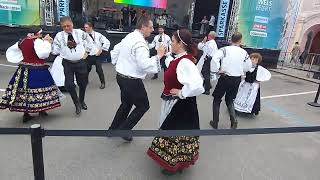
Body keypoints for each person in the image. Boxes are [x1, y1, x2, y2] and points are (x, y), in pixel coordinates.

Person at [147, 29, 204, 175]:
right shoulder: (179, 58)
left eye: (172, 41)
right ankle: (176, 162)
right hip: (174, 102)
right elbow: (172, 63)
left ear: (180, 43)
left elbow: (198, 85)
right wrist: (164, 55)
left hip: (179, 105)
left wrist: (182, 93)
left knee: (174, 134)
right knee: (173, 133)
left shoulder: (185, 62)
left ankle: (173, 165)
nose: (170, 43)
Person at [108, 16, 166, 141]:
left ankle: (113, 129)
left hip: (121, 77)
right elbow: (144, 64)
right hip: (131, 81)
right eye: (150, 27)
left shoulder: (130, 36)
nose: (152, 30)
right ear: (143, 27)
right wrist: (159, 55)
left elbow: (116, 50)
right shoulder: (140, 43)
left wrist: (120, 64)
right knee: (143, 106)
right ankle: (124, 130)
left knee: (126, 104)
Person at [0, 31, 61, 123]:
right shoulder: (38, 41)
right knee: (41, 89)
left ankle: (26, 113)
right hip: (39, 70)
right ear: (38, 34)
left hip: (24, 69)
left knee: (25, 91)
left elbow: (12, 52)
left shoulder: (22, 41)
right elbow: (43, 54)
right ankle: (42, 109)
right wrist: (47, 43)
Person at [209, 32, 252, 129]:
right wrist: (241, 70)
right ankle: (234, 121)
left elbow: (214, 59)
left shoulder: (224, 49)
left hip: (225, 77)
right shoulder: (244, 52)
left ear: (231, 39)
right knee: (230, 100)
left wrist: (217, 70)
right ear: (240, 40)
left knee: (217, 99)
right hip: (236, 79)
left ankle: (215, 122)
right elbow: (248, 66)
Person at [52, 16, 89, 116]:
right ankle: (76, 103)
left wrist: (87, 52)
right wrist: (51, 44)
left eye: (68, 25)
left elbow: (89, 41)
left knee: (83, 83)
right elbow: (54, 51)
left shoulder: (80, 33)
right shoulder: (59, 36)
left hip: (80, 62)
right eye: (64, 27)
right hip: (67, 63)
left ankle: (81, 101)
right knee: (69, 84)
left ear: (72, 24)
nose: (67, 28)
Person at [84, 22, 110, 89]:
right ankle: (85, 82)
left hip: (97, 55)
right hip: (88, 55)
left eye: (86, 27)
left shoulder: (98, 35)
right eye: (84, 27)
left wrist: (102, 49)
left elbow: (107, 42)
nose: (85, 29)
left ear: (91, 27)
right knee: (86, 69)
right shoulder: (83, 36)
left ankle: (103, 83)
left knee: (99, 69)